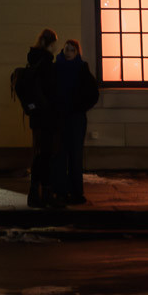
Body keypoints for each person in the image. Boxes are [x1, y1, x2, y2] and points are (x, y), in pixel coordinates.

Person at [11, 28, 61, 207]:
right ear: (51, 44)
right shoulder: (46, 62)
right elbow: (50, 90)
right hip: (47, 115)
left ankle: (34, 193)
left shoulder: (33, 59)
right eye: (55, 43)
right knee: (46, 155)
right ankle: (45, 193)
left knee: (39, 153)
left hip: (36, 115)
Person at [52, 37, 100, 204]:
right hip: (64, 117)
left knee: (73, 156)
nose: (69, 52)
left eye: (72, 50)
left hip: (74, 117)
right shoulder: (59, 67)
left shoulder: (80, 68)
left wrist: (79, 107)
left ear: (77, 52)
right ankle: (64, 191)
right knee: (61, 155)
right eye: (67, 49)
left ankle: (73, 192)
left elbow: (93, 93)